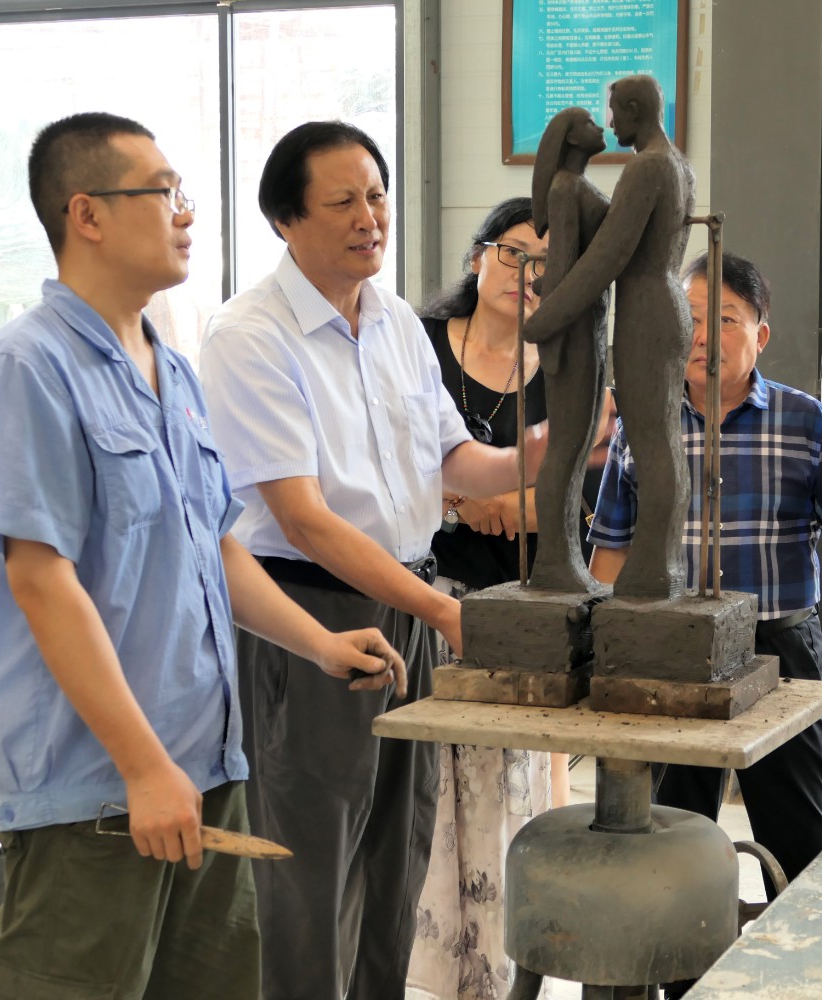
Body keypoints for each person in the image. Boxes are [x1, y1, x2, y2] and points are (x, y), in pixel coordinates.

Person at [0, 111, 404, 1000]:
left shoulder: (173, 370)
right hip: (96, 792)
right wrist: (141, 765)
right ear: (87, 214)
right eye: (164, 194)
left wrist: (318, 643)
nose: (187, 213)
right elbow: (41, 582)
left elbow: (216, 544)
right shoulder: (29, 369)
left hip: (205, 771)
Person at [200, 122, 542, 1000]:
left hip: (409, 610)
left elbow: (457, 463)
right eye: (343, 201)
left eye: (378, 195)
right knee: (311, 870)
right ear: (285, 219)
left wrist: (542, 451)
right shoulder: (250, 335)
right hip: (309, 618)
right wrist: (441, 611)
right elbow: (305, 520)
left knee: (399, 857)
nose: (370, 217)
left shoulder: (395, 323)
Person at [589, 250, 822, 898]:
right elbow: (611, 552)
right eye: (689, 319)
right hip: (670, 652)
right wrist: (600, 654)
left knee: (800, 839)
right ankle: (684, 956)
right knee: (669, 836)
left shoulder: (807, 422)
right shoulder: (643, 427)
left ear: (760, 334)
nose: (702, 337)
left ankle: (798, 955)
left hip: (780, 650)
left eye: (724, 319)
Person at [407, 196, 562, 1000]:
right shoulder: (420, 344)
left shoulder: (565, 369)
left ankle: (496, 973)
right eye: (513, 251)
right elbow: (391, 463)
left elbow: (568, 502)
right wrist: (473, 499)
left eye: (547, 263)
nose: (526, 272)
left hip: (515, 614)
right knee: (426, 802)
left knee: (503, 800)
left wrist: (490, 500)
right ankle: (425, 972)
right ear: (478, 257)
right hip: (421, 599)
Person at [525, 74, 696, 600]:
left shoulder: (647, 167)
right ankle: (657, 563)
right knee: (660, 439)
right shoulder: (675, 164)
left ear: (634, 109)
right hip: (662, 303)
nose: (610, 121)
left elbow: (607, 257)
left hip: (646, 309)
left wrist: (547, 317)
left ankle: (653, 566)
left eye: (614, 111)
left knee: (652, 442)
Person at [527, 106, 612, 593]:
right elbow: (560, 262)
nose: (601, 128)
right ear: (572, 137)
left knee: (576, 445)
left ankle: (562, 558)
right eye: (591, 123)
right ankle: (555, 559)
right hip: (574, 325)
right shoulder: (566, 188)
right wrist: (552, 322)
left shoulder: (576, 185)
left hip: (588, 319)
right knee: (566, 446)